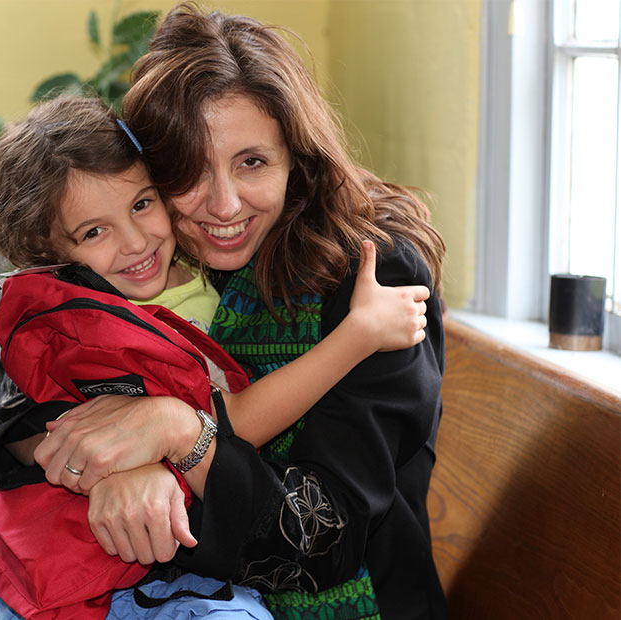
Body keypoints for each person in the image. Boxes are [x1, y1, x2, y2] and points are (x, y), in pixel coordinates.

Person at [24, 4, 449, 620]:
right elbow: (15, 418)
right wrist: (110, 469)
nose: (223, 206)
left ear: (296, 159)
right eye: (189, 172)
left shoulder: (368, 279)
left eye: (252, 162)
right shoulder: (134, 253)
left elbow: (318, 542)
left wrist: (176, 437)